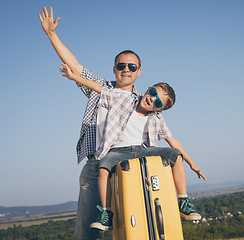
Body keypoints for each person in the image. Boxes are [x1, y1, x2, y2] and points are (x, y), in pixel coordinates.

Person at [39, 6, 205, 239]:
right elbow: (75, 67)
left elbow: (168, 136)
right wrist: (51, 34)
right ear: (114, 69)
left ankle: (183, 203)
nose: (126, 69)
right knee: (88, 228)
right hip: (98, 162)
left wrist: (190, 162)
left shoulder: (147, 105)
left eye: (131, 67)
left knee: (139, 223)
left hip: (136, 160)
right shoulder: (102, 90)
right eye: (121, 66)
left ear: (139, 72)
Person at [60, 63, 206, 231]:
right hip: (116, 151)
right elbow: (99, 88)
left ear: (160, 110)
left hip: (141, 150)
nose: (152, 99)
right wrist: (74, 77)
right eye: (153, 93)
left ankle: (183, 201)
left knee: (175, 154)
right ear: (148, 89)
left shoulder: (156, 119)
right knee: (103, 168)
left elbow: (173, 141)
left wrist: (192, 164)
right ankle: (106, 214)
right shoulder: (124, 99)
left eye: (157, 102)